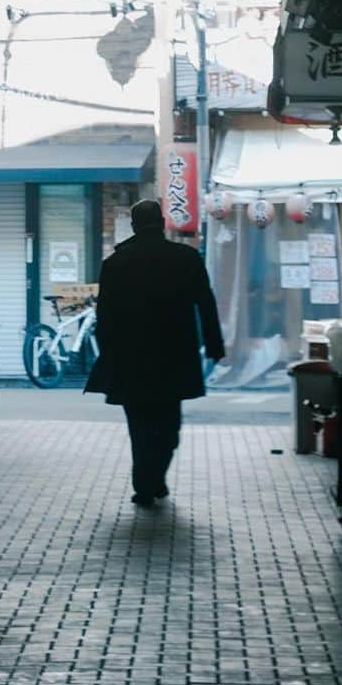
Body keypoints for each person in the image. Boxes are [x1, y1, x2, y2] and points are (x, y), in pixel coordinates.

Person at [85, 199, 225, 507]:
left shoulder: (115, 264)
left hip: (130, 358)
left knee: (140, 426)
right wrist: (215, 343)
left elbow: (105, 316)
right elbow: (206, 302)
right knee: (168, 425)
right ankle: (155, 477)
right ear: (162, 222)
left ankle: (145, 483)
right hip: (173, 356)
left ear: (134, 226)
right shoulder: (186, 258)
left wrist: (108, 354)